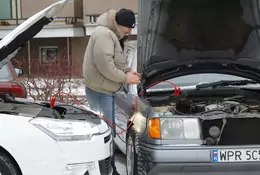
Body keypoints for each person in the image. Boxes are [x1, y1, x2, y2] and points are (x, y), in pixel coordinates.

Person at [82, 8, 140, 175]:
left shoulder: (111, 35)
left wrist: (129, 72)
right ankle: (107, 171)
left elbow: (118, 60)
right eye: (128, 27)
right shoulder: (104, 35)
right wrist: (124, 78)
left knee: (108, 133)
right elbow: (105, 64)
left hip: (104, 90)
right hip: (100, 91)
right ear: (120, 24)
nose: (129, 31)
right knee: (105, 135)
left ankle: (109, 169)